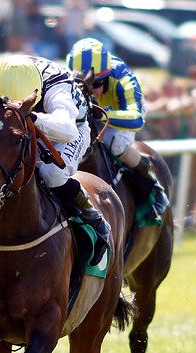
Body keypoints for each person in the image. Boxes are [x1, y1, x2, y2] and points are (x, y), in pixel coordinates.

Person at [0, 54, 108, 263]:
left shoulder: (56, 84)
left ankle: (94, 219)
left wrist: (30, 116)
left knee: (51, 174)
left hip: (69, 129)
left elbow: (67, 130)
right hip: (18, 126)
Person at [66, 37, 167, 227]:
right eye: (83, 84)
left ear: (107, 75)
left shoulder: (122, 76)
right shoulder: (66, 77)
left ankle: (152, 183)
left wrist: (101, 115)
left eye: (96, 84)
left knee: (115, 143)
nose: (91, 90)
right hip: (93, 113)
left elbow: (136, 118)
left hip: (121, 111)